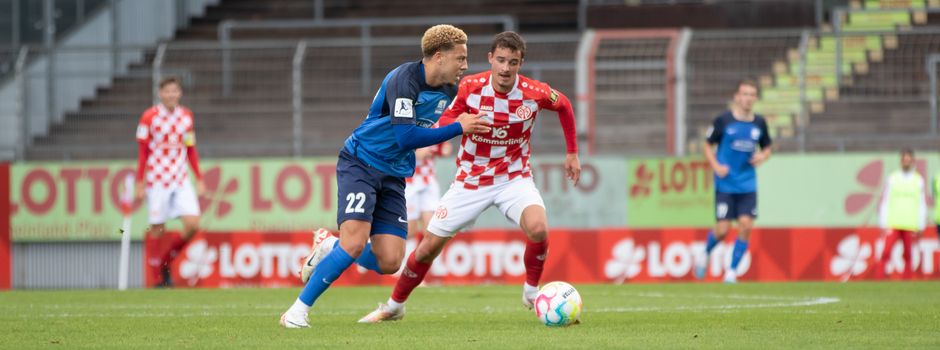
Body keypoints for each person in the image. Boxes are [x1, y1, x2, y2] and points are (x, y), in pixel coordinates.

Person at [355, 31, 581, 323]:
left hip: (514, 178)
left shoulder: (534, 92)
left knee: (538, 228)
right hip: (470, 181)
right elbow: (445, 118)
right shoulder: (470, 87)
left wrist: (572, 153)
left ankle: (530, 291)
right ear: (490, 59)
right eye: (500, 60)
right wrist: (461, 125)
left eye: (512, 62)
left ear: (520, 63)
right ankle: (394, 305)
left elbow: (563, 105)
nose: (505, 68)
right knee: (427, 248)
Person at [280, 24, 490, 328]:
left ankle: (328, 245)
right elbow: (405, 138)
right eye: (460, 58)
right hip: (361, 161)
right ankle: (296, 312)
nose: (465, 66)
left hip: (393, 174)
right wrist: (459, 127)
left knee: (391, 262)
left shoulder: (451, 90)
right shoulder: (404, 80)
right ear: (439, 57)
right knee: (354, 243)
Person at [694, 79, 772, 283]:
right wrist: (716, 166)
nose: (747, 98)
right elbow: (707, 145)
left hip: (747, 183)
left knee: (746, 225)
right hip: (726, 184)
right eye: (744, 94)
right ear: (737, 97)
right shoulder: (723, 121)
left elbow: (767, 147)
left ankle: (731, 272)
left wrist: (763, 156)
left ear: (755, 98)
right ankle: (705, 252)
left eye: (751, 94)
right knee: (723, 230)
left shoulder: (759, 123)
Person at [134, 76, 205, 288]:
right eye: (167, 91)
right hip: (157, 180)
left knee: (193, 224)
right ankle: (157, 277)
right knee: (157, 228)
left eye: (174, 91)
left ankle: (167, 260)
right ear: (160, 93)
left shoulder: (187, 117)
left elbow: (190, 149)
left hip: (181, 179)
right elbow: (143, 152)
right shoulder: (149, 117)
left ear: (180, 93)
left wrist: (199, 178)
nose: (171, 95)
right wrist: (140, 181)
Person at [875, 148, 926, 280]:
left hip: (910, 223)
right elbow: (885, 200)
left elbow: (922, 203)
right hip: (894, 222)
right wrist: (883, 222)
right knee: (886, 252)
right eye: (904, 160)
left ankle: (906, 280)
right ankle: (879, 279)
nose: (906, 162)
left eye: (908, 160)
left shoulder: (918, 180)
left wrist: (921, 224)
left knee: (908, 255)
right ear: (901, 161)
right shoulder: (893, 178)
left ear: (913, 161)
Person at [406, 142, 452, 242]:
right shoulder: (407, 127)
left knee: (431, 230)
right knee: (409, 230)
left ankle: (423, 257)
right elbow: (417, 154)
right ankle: (403, 256)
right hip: (409, 182)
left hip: (429, 182)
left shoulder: (435, 126)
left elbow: (446, 149)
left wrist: (436, 148)